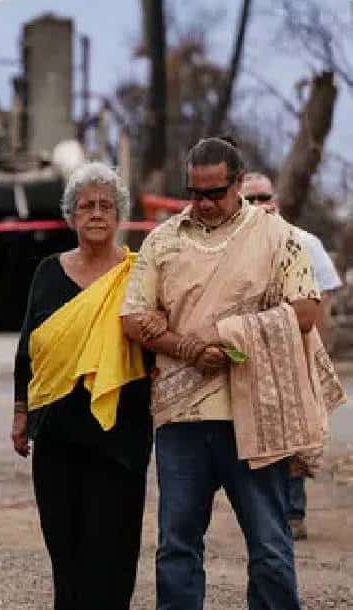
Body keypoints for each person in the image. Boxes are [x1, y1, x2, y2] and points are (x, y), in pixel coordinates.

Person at [121, 137, 342, 610]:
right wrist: (186, 347)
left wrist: (234, 335)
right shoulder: (164, 240)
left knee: (269, 545)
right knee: (177, 545)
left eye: (214, 193)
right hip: (182, 418)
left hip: (256, 411)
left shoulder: (276, 235)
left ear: (239, 183)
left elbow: (305, 310)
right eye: (194, 193)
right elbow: (133, 317)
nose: (202, 203)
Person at [11, 162, 152, 610]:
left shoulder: (138, 274)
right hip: (57, 432)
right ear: (71, 216)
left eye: (106, 206)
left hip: (121, 433)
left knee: (112, 551)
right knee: (66, 552)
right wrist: (20, 413)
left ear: (119, 216)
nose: (96, 213)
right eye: (86, 205)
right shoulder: (48, 272)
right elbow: (29, 347)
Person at [242, 171, 343, 541]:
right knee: (260, 434)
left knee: (298, 431)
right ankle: (263, 512)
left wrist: (321, 353)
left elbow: (326, 301)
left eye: (262, 197)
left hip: (299, 351)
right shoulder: (233, 249)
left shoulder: (305, 242)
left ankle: (294, 512)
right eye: (248, 199)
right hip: (250, 355)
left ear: (276, 200)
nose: (256, 205)